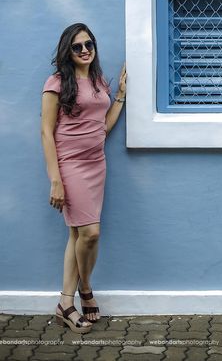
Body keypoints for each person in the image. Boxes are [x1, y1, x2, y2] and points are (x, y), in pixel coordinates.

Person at [41, 23, 126, 333]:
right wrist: (55, 179)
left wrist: (119, 98)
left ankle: (71, 299)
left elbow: (101, 128)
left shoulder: (97, 80)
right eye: (77, 46)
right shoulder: (57, 82)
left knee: (79, 236)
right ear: (68, 51)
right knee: (90, 233)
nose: (85, 50)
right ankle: (79, 291)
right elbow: (46, 134)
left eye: (89, 44)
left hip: (96, 164)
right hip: (70, 165)